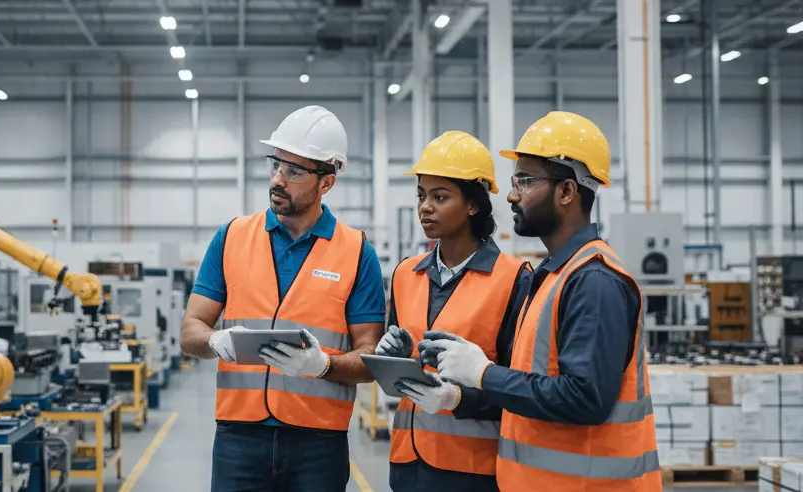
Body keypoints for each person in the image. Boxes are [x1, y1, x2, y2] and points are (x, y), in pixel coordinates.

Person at [419, 111, 661, 491]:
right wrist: (458, 396)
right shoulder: (551, 276)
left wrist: (484, 373)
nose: (512, 195)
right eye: (515, 182)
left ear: (566, 191)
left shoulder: (594, 281)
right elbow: (530, 389)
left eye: (526, 181)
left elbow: (585, 399)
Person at [179, 105, 386, 492]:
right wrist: (215, 340)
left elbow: (369, 358)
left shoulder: (357, 252)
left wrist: (323, 365)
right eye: (275, 165)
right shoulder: (231, 237)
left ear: (326, 183)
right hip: (239, 436)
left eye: (294, 171)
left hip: (319, 443)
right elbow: (191, 330)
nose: (278, 179)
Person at [374, 131, 531, 492]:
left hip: (473, 470)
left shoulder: (513, 280)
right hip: (407, 463)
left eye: (440, 197)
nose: (425, 207)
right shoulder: (405, 274)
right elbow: (402, 375)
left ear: (473, 204)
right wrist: (393, 359)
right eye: (421, 195)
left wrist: (456, 398)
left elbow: (520, 389)